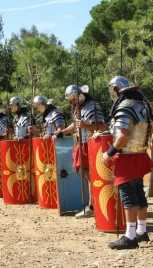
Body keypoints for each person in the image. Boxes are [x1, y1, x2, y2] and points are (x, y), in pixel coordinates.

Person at [96, 76, 153, 250]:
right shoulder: (142, 104)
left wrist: (109, 152)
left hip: (127, 157)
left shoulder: (125, 106)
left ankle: (130, 236)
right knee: (138, 194)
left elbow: (124, 135)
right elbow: (147, 131)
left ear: (116, 89)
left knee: (128, 196)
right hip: (139, 154)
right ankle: (142, 231)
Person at [53, 85, 106, 218]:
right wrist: (61, 133)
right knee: (88, 177)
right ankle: (92, 205)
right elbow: (75, 125)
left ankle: (93, 206)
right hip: (81, 144)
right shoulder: (79, 108)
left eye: (73, 99)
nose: (72, 102)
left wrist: (85, 126)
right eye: (71, 100)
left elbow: (102, 126)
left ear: (80, 95)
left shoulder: (92, 107)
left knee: (92, 177)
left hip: (91, 145)